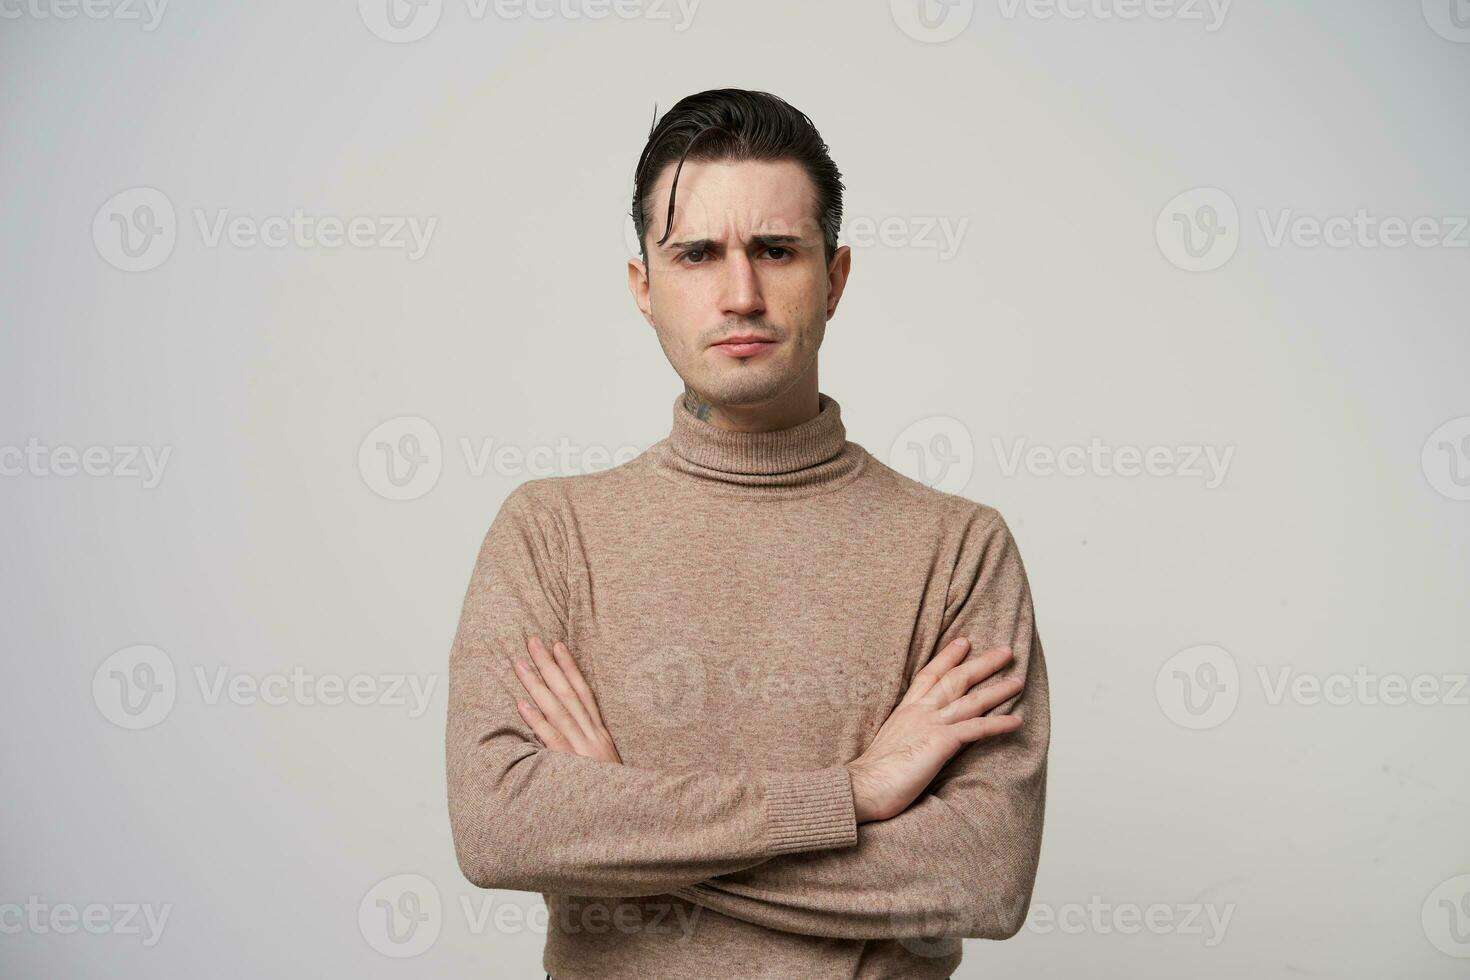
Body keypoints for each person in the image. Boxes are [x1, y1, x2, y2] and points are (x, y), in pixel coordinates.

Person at [446, 87, 1049, 980]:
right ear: (643, 287)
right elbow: (499, 829)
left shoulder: (959, 549)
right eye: (696, 254)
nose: (741, 293)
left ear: (835, 278)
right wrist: (850, 796)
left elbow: (981, 878)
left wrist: (620, 825)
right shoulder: (550, 533)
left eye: (776, 250)